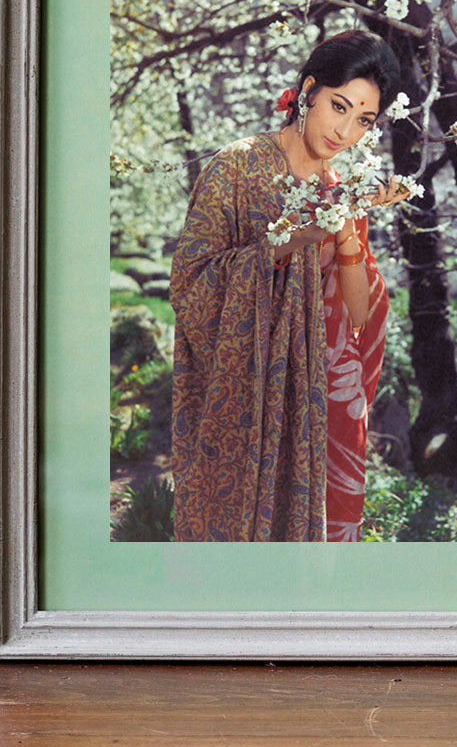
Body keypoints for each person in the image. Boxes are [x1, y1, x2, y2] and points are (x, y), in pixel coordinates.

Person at [169, 30, 408, 542]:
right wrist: (292, 240)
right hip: (246, 388)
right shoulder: (237, 165)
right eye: (338, 107)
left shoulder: (340, 191)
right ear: (307, 92)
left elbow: (359, 317)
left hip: (317, 401)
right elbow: (190, 282)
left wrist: (345, 231)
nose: (345, 131)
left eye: (363, 120)